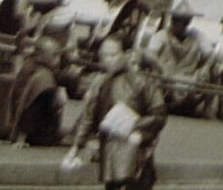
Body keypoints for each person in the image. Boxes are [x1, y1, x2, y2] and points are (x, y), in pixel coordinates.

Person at [62, 35, 166, 190]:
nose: (108, 60)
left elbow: (159, 115)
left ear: (124, 54)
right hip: (110, 150)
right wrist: (76, 147)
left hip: (137, 149)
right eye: (104, 55)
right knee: (113, 183)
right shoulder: (100, 83)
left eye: (113, 55)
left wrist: (138, 128)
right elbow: (89, 117)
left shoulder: (143, 82)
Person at [143, 2, 210, 111]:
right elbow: (149, 53)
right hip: (164, 77)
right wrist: (161, 66)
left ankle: (207, 108)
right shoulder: (162, 35)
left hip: (187, 78)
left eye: (182, 22)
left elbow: (209, 55)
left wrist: (205, 68)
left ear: (187, 23)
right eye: (174, 20)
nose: (174, 24)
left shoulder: (196, 36)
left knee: (208, 73)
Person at [7, 37, 66, 148]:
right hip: (32, 132)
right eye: (55, 55)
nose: (58, 59)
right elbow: (33, 106)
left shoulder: (32, 64)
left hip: (22, 123)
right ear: (43, 56)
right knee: (50, 93)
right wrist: (21, 138)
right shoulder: (42, 76)